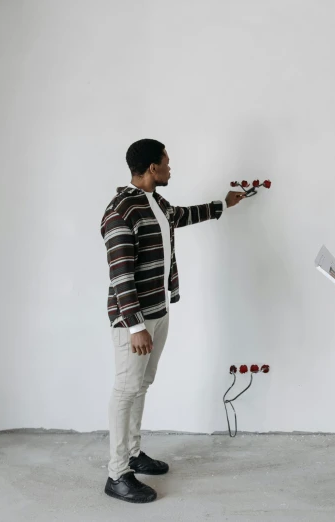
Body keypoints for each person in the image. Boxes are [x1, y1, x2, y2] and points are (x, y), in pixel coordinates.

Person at [100, 139, 246, 503]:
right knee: (126, 389)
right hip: (134, 320)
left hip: (158, 310)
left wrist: (221, 206)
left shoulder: (154, 202)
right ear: (152, 169)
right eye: (166, 163)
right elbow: (120, 273)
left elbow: (178, 217)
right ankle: (117, 473)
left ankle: (133, 454)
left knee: (141, 384)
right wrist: (135, 326)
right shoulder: (121, 211)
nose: (170, 168)